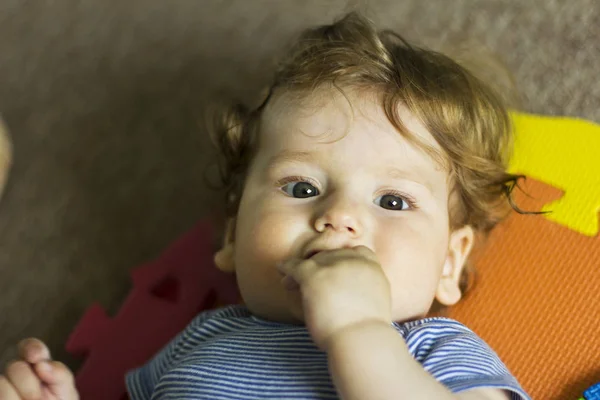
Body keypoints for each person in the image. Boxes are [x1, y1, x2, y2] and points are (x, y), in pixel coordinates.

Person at [0, 12, 531, 400]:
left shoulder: (436, 352)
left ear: (450, 262)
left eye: (392, 200)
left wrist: (359, 332)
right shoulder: (200, 340)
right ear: (233, 237)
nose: (338, 218)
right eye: (300, 188)